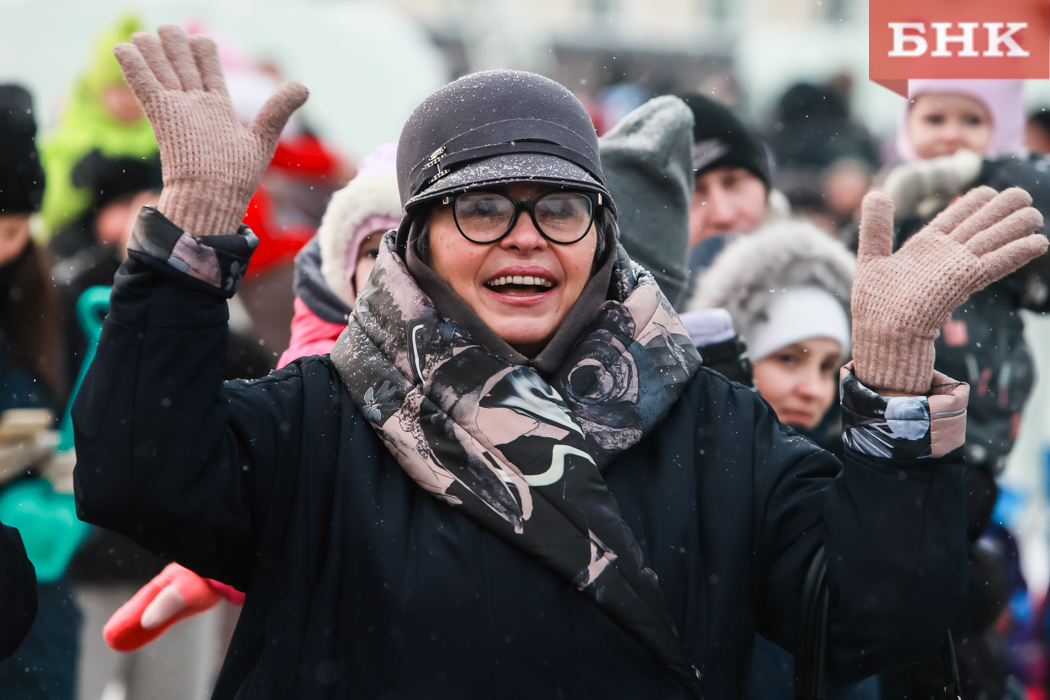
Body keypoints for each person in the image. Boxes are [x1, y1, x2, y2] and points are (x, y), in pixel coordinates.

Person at [72, 26, 1047, 698]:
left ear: (604, 237)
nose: (526, 236)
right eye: (482, 207)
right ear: (416, 242)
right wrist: (191, 235)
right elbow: (136, 476)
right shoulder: (325, 415)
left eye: (562, 207)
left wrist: (893, 381)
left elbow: (874, 616)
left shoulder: (716, 425)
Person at [879, 78, 1050, 700]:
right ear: (906, 128)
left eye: (972, 121)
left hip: (977, 439)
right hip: (898, 430)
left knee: (952, 588)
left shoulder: (1008, 204)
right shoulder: (891, 204)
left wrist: (987, 173)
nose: (951, 134)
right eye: (934, 118)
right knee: (918, 589)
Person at [687, 219, 879, 699]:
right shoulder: (683, 475)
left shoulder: (848, 477)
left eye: (829, 366)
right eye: (788, 358)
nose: (813, 389)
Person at [0, 83, 83, 700]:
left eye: (13, 231)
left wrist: (66, 466)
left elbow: (78, 411)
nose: (4, 249)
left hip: (35, 570)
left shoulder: (48, 305)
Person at [38, 16, 158, 239]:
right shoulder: (73, 132)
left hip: (148, 237)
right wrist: (76, 181)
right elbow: (48, 208)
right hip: (85, 243)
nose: (130, 98)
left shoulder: (165, 136)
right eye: (120, 87)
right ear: (97, 88)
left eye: (139, 88)